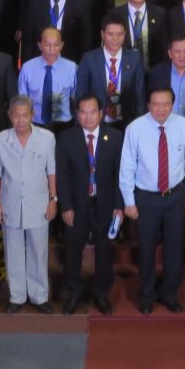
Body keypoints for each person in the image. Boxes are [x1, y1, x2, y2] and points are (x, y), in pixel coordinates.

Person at [119, 87, 185, 313]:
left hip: (175, 196)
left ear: (172, 105)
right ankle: (146, 295)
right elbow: (127, 167)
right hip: (145, 198)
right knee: (146, 249)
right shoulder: (135, 128)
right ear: (148, 105)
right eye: (156, 104)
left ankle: (169, 293)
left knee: (174, 249)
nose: (161, 109)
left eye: (165, 104)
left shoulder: (184, 125)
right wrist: (129, 201)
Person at [57, 94, 124, 314]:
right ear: (77, 114)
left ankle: (101, 292)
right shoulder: (67, 138)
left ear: (101, 113)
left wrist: (118, 205)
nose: (87, 117)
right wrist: (65, 206)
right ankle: (73, 291)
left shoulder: (114, 137)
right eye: (83, 112)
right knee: (73, 249)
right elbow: (62, 176)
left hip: (104, 204)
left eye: (92, 111)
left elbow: (119, 174)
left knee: (104, 250)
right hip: (76, 205)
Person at [0, 96, 59, 313]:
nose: (20, 120)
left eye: (25, 115)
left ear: (32, 115)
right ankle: (17, 296)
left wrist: (53, 199)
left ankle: (39, 296)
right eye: (16, 115)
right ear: (10, 116)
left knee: (39, 251)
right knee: (13, 250)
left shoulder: (47, 138)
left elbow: (52, 171)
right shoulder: (1, 139)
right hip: (9, 202)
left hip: (38, 202)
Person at [76, 16, 147, 127]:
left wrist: (141, 123)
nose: (115, 39)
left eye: (120, 34)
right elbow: (80, 93)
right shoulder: (89, 59)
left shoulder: (134, 58)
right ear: (102, 34)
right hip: (97, 122)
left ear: (125, 34)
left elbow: (140, 94)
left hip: (127, 121)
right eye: (110, 34)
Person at [24, 0, 88, 63]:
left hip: (70, 62)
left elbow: (86, 41)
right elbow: (28, 38)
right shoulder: (35, 0)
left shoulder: (82, 3)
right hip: (39, 60)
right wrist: (27, 65)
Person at [20, 26, 81, 129]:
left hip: (63, 125)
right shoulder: (27, 68)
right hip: (35, 124)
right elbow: (22, 99)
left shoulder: (72, 68)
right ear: (40, 45)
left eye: (56, 45)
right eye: (48, 45)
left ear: (62, 45)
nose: (52, 49)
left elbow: (78, 98)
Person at [106, 0, 167, 65]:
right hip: (125, 69)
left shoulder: (160, 13)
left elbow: (164, 46)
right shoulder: (115, 14)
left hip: (153, 69)